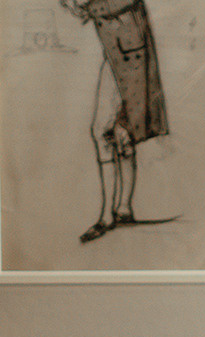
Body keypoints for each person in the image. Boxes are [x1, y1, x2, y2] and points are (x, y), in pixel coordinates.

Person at [62, 0, 170, 244]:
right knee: (120, 131)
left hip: (130, 54)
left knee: (104, 130)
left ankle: (107, 217)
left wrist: (86, 6)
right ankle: (122, 209)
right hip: (123, 50)